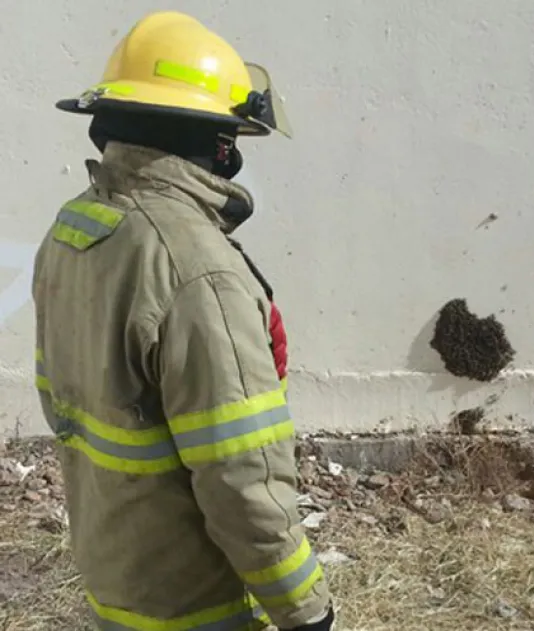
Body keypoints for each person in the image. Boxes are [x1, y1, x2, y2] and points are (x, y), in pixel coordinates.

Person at [31, 10, 333, 631]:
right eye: (232, 140)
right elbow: (241, 477)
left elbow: (64, 405)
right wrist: (306, 613)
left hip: (115, 579)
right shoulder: (197, 270)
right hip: (194, 604)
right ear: (211, 142)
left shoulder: (75, 229)